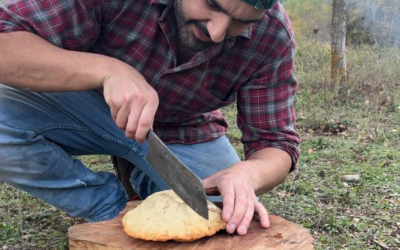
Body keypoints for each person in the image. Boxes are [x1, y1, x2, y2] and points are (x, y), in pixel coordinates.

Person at [0, 0, 300, 236]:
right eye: (212, 4)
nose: (218, 32)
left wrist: (249, 174)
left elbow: (276, 143)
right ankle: (111, 211)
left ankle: (141, 179)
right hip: (86, 104)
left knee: (222, 217)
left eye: (242, 22)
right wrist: (108, 71)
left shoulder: (272, 36)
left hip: (185, 130)